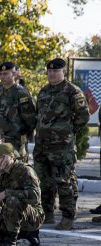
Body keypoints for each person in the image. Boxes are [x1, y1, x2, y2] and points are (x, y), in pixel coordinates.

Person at [34, 58, 90, 230]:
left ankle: (68, 215)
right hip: (42, 144)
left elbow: (83, 116)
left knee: (64, 180)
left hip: (62, 146)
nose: (51, 74)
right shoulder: (43, 91)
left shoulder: (72, 91)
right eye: (49, 71)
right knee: (43, 180)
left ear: (63, 72)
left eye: (55, 71)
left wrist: (68, 132)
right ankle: (47, 213)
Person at [0, 143, 44, 246]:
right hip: (12, 215)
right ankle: (25, 234)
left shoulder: (25, 170)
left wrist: (7, 193)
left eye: (1, 156)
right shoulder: (2, 175)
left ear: (11, 156)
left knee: (12, 200)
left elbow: (34, 196)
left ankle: (11, 243)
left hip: (33, 216)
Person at [0, 62, 37, 163]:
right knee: (2, 171)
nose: (2, 76)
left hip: (16, 142)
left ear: (14, 74)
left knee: (18, 171)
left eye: (6, 73)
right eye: (1, 74)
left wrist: (21, 135)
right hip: (0, 140)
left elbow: (31, 120)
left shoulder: (21, 93)